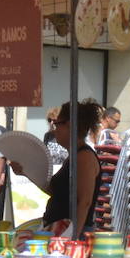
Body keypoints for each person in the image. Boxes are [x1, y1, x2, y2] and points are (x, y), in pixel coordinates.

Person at [41, 100, 100, 235]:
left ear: (69, 125)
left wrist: (72, 239)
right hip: (60, 230)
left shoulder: (84, 156)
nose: (54, 131)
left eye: (57, 124)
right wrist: (26, 172)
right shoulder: (74, 156)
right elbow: (57, 192)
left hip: (70, 235)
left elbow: (84, 202)